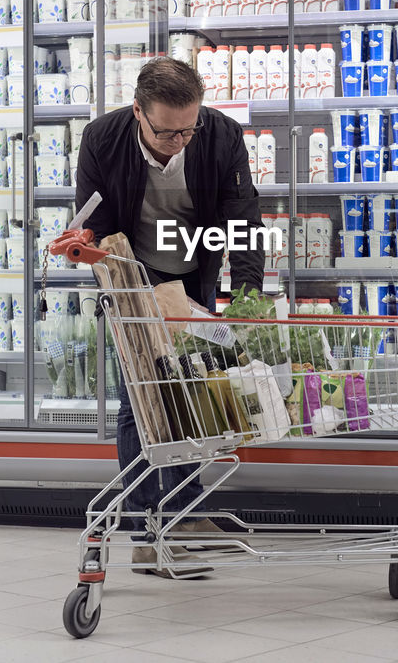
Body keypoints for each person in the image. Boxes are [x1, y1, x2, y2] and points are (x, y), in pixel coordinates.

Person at [75, 56, 265, 577]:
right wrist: (121, 281)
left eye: (189, 129)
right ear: (138, 112)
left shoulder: (221, 135)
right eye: (166, 132)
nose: (180, 140)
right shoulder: (101, 139)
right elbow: (95, 227)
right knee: (139, 399)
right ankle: (146, 530)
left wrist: (246, 300)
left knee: (190, 390)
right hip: (131, 278)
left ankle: (186, 511)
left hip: (193, 279)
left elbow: (244, 219)